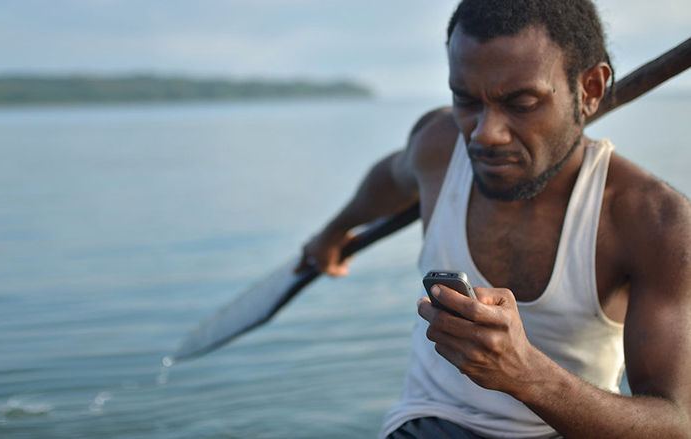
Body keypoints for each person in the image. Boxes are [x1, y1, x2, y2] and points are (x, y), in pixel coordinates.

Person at [295, 0, 691, 438]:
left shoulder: (653, 221)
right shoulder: (439, 147)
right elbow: (391, 178)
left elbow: (676, 424)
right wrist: (334, 232)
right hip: (430, 423)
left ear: (590, 89)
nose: (485, 133)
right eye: (466, 100)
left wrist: (526, 374)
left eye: (521, 103)